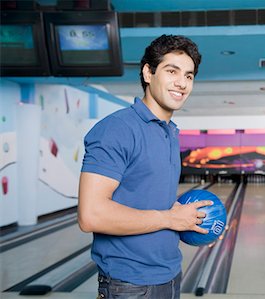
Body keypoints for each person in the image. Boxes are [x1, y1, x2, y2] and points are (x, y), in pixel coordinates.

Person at [78, 34, 211, 299]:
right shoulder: (117, 129)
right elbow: (91, 215)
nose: (182, 83)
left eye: (189, 75)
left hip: (170, 274)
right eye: (172, 71)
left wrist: (176, 212)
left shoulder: (170, 132)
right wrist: (170, 218)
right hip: (128, 285)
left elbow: (144, 195)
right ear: (148, 73)